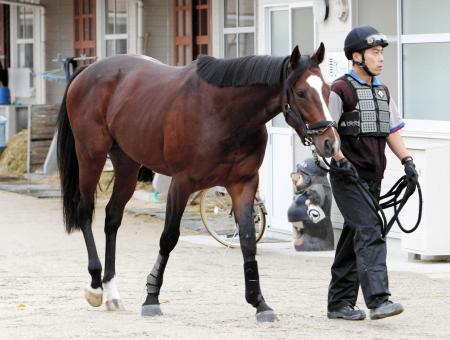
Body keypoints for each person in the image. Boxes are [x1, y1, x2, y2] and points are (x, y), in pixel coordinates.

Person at [326, 26, 419, 321]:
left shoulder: (382, 90)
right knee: (370, 230)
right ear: (357, 56)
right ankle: (378, 300)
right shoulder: (339, 90)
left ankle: (339, 304)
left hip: (372, 178)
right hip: (346, 176)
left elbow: (391, 130)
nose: (381, 59)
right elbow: (327, 136)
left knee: (355, 236)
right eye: (375, 53)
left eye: (381, 53)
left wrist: (407, 161)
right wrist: (340, 160)